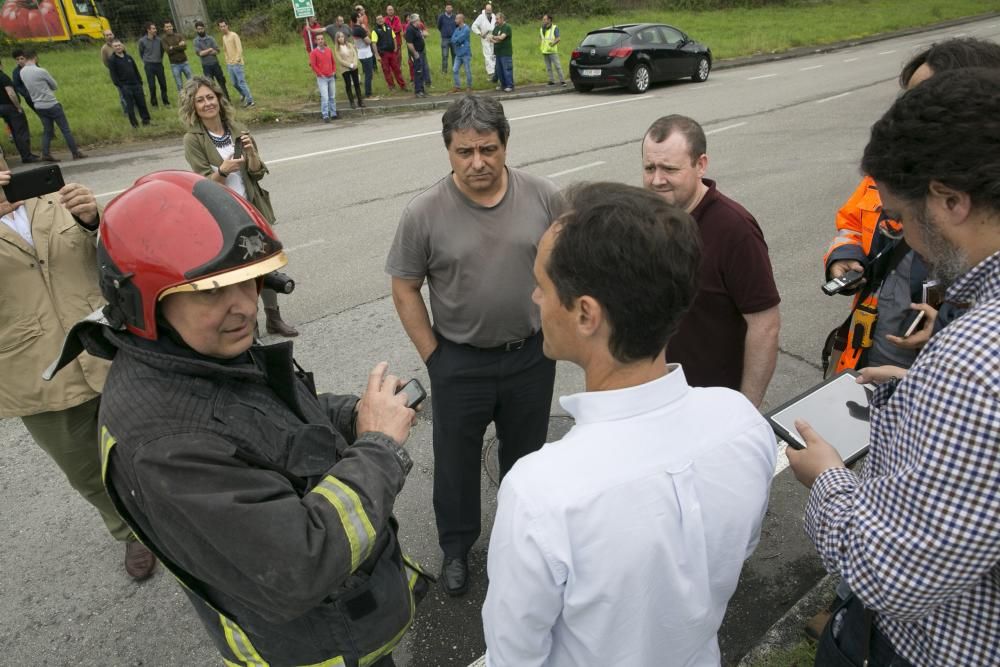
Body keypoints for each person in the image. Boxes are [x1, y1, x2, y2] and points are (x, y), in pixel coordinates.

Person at [46, 169, 430, 667]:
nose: (245, 308)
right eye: (211, 291)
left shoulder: (194, 351)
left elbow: (274, 420)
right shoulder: (166, 444)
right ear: (144, 302)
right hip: (322, 646)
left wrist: (356, 414)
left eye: (249, 283)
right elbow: (303, 564)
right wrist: (378, 447)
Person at [482, 181, 776, 665]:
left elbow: (514, 657)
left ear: (585, 314)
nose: (535, 297)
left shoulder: (543, 493)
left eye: (543, 285)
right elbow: (731, 556)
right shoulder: (742, 423)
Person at [787, 68, 1000, 667]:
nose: (908, 237)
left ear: (952, 200)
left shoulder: (973, 361)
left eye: (907, 218)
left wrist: (827, 478)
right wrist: (924, 393)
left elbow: (894, 579)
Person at [386, 95, 563, 597]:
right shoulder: (423, 212)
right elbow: (404, 287)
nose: (478, 162)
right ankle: (457, 549)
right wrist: (435, 358)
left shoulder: (545, 196)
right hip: (458, 362)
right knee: (456, 462)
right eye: (464, 152)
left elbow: (569, 262)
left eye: (488, 148)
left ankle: (521, 541)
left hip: (530, 355)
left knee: (527, 456)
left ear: (506, 144)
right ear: (448, 151)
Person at [0, 156, 156, 581]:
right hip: (33, 370)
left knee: (152, 441)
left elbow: (115, 258)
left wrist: (93, 221)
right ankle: (128, 531)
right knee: (85, 468)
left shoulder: (52, 197)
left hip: (104, 346)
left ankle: (176, 513)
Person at [822, 37, 1000, 377]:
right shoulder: (892, 173)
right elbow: (851, 223)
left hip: (928, 354)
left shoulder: (975, 353)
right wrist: (845, 256)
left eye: (923, 99)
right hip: (873, 339)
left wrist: (943, 317)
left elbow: (948, 275)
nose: (906, 113)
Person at [641, 115, 780, 407]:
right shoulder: (646, 219)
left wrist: (746, 407)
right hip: (657, 397)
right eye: (649, 167)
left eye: (669, 169)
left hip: (713, 403)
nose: (656, 180)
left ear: (700, 165)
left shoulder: (735, 229)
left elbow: (764, 324)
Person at [180, 76, 296, 336]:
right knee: (240, 271)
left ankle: (274, 318)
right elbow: (201, 184)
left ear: (219, 101)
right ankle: (249, 324)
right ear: (193, 106)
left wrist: (252, 156)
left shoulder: (237, 130)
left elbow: (256, 173)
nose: (207, 103)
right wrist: (222, 170)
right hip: (223, 213)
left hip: (251, 207)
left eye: (210, 97)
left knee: (265, 263)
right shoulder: (194, 139)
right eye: (200, 100)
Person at [19, 51, 86, 161]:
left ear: (25, 58)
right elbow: (54, 85)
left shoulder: (22, 72)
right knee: (65, 129)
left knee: (47, 130)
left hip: (38, 105)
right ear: (35, 57)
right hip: (51, 103)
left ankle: (45, 153)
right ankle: (75, 152)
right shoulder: (41, 71)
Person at [107, 40, 152, 128]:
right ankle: (134, 125)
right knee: (130, 106)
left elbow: (136, 70)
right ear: (113, 48)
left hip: (136, 84)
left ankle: (146, 121)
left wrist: (140, 82)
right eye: (115, 46)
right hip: (125, 86)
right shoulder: (112, 60)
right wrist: (121, 86)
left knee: (142, 104)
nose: (118, 47)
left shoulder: (129, 57)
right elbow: (114, 76)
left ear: (122, 46)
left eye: (119, 45)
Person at [0, 58, 38, 162]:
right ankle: (27, 156)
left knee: (13, 130)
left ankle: (16, 155)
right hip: (9, 106)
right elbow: (11, 93)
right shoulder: (3, 77)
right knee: (20, 131)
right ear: (1, 64)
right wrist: (18, 107)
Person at [217, 19, 254, 108]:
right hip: (230, 64)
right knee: (234, 83)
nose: (223, 28)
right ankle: (243, 94)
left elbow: (239, 49)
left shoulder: (234, 35)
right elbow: (225, 50)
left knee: (241, 82)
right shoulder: (224, 37)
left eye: (224, 26)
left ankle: (250, 101)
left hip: (237, 63)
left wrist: (237, 60)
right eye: (221, 27)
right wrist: (227, 60)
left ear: (227, 26)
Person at [193, 20, 230, 100]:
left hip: (215, 64)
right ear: (196, 30)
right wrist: (210, 49)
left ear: (204, 28)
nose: (200, 30)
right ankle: (217, 100)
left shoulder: (211, 38)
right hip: (206, 66)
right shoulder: (196, 41)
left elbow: (217, 51)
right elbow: (200, 54)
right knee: (210, 85)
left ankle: (227, 100)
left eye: (201, 28)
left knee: (222, 82)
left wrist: (206, 51)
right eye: (198, 29)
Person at [138, 22, 170, 107]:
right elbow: (141, 53)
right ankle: (154, 103)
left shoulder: (159, 40)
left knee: (163, 84)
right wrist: (147, 60)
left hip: (159, 64)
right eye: (153, 29)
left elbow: (162, 51)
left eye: (155, 28)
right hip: (149, 66)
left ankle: (166, 102)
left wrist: (158, 59)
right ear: (148, 30)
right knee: (152, 85)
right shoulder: (142, 41)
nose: (155, 30)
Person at [373, 14, 406, 91]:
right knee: (387, 71)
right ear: (376, 21)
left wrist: (395, 48)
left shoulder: (389, 28)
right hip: (383, 54)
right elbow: (374, 43)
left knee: (397, 69)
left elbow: (394, 38)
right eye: (378, 19)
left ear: (383, 19)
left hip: (392, 52)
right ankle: (391, 86)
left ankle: (402, 85)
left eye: (381, 18)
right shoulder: (375, 31)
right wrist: (377, 55)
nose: (380, 20)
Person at [309, 33, 338, 122]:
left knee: (332, 96)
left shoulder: (329, 50)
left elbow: (333, 62)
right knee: (325, 97)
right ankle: (325, 115)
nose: (321, 41)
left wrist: (334, 71)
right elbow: (313, 65)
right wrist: (320, 74)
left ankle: (333, 113)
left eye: (322, 39)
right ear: (316, 41)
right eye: (319, 39)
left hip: (331, 76)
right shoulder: (313, 53)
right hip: (322, 78)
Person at [333, 31, 363, 110]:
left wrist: (355, 63)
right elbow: (340, 60)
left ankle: (360, 101)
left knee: (357, 83)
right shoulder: (337, 48)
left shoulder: (349, 45)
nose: (341, 38)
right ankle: (352, 102)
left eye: (342, 36)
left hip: (354, 66)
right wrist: (349, 65)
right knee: (348, 84)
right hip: (345, 68)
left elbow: (355, 54)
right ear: (337, 39)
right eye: (339, 37)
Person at [350, 11, 376, 99]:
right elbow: (368, 41)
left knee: (368, 73)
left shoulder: (355, 28)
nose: (362, 18)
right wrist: (367, 33)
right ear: (357, 18)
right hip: (365, 54)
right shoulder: (359, 29)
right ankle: (368, 94)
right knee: (369, 74)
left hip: (362, 53)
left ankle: (368, 92)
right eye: (361, 16)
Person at [162, 20, 193, 91]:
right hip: (174, 65)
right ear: (164, 29)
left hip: (185, 63)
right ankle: (182, 100)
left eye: (170, 26)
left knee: (191, 82)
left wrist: (172, 47)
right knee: (179, 85)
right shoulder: (164, 39)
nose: (169, 28)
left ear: (172, 27)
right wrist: (178, 46)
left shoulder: (179, 35)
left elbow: (184, 47)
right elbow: (168, 51)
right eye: (167, 27)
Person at [471, 4, 496, 81]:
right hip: (485, 37)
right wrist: (479, 33)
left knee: (494, 55)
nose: (488, 12)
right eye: (487, 10)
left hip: (494, 37)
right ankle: (491, 73)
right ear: (485, 9)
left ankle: (496, 72)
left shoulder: (494, 16)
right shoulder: (481, 17)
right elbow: (473, 26)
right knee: (487, 55)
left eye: (490, 10)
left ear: (491, 10)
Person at [539, 14, 566, 86]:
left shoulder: (554, 28)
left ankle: (563, 81)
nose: (543, 21)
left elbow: (558, 38)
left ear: (549, 20)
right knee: (548, 67)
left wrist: (553, 44)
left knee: (557, 66)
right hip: (544, 51)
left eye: (544, 19)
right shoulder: (542, 29)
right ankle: (551, 80)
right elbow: (541, 38)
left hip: (552, 51)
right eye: (543, 19)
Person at [404, 13, 427, 98]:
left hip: (421, 52)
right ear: (415, 21)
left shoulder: (417, 28)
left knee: (421, 71)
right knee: (418, 72)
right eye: (418, 20)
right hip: (416, 53)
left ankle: (422, 90)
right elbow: (409, 43)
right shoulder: (410, 29)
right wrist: (415, 53)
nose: (420, 21)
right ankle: (418, 91)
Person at [450, 14, 472, 93]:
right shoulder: (457, 29)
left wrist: (456, 40)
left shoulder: (466, 29)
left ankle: (469, 87)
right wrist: (456, 40)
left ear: (461, 20)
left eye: (456, 19)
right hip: (458, 54)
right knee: (455, 70)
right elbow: (452, 39)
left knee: (467, 70)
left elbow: (460, 39)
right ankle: (457, 86)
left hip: (466, 53)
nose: (455, 20)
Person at [491, 13, 513, 92]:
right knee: (499, 70)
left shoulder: (507, 27)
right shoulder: (496, 28)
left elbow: (502, 37)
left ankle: (510, 85)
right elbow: (493, 39)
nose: (496, 20)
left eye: (497, 19)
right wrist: (493, 39)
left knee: (506, 69)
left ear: (502, 19)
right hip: (498, 52)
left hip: (505, 52)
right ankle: (503, 85)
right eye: (496, 19)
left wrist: (494, 37)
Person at [437, 3, 456, 74]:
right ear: (445, 9)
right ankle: (444, 71)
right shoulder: (441, 17)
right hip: (445, 39)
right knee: (445, 55)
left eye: (450, 8)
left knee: (455, 54)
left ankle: (455, 70)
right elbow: (438, 26)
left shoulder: (454, 16)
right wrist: (443, 32)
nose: (448, 9)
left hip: (454, 38)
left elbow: (457, 26)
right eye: (447, 8)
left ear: (452, 9)